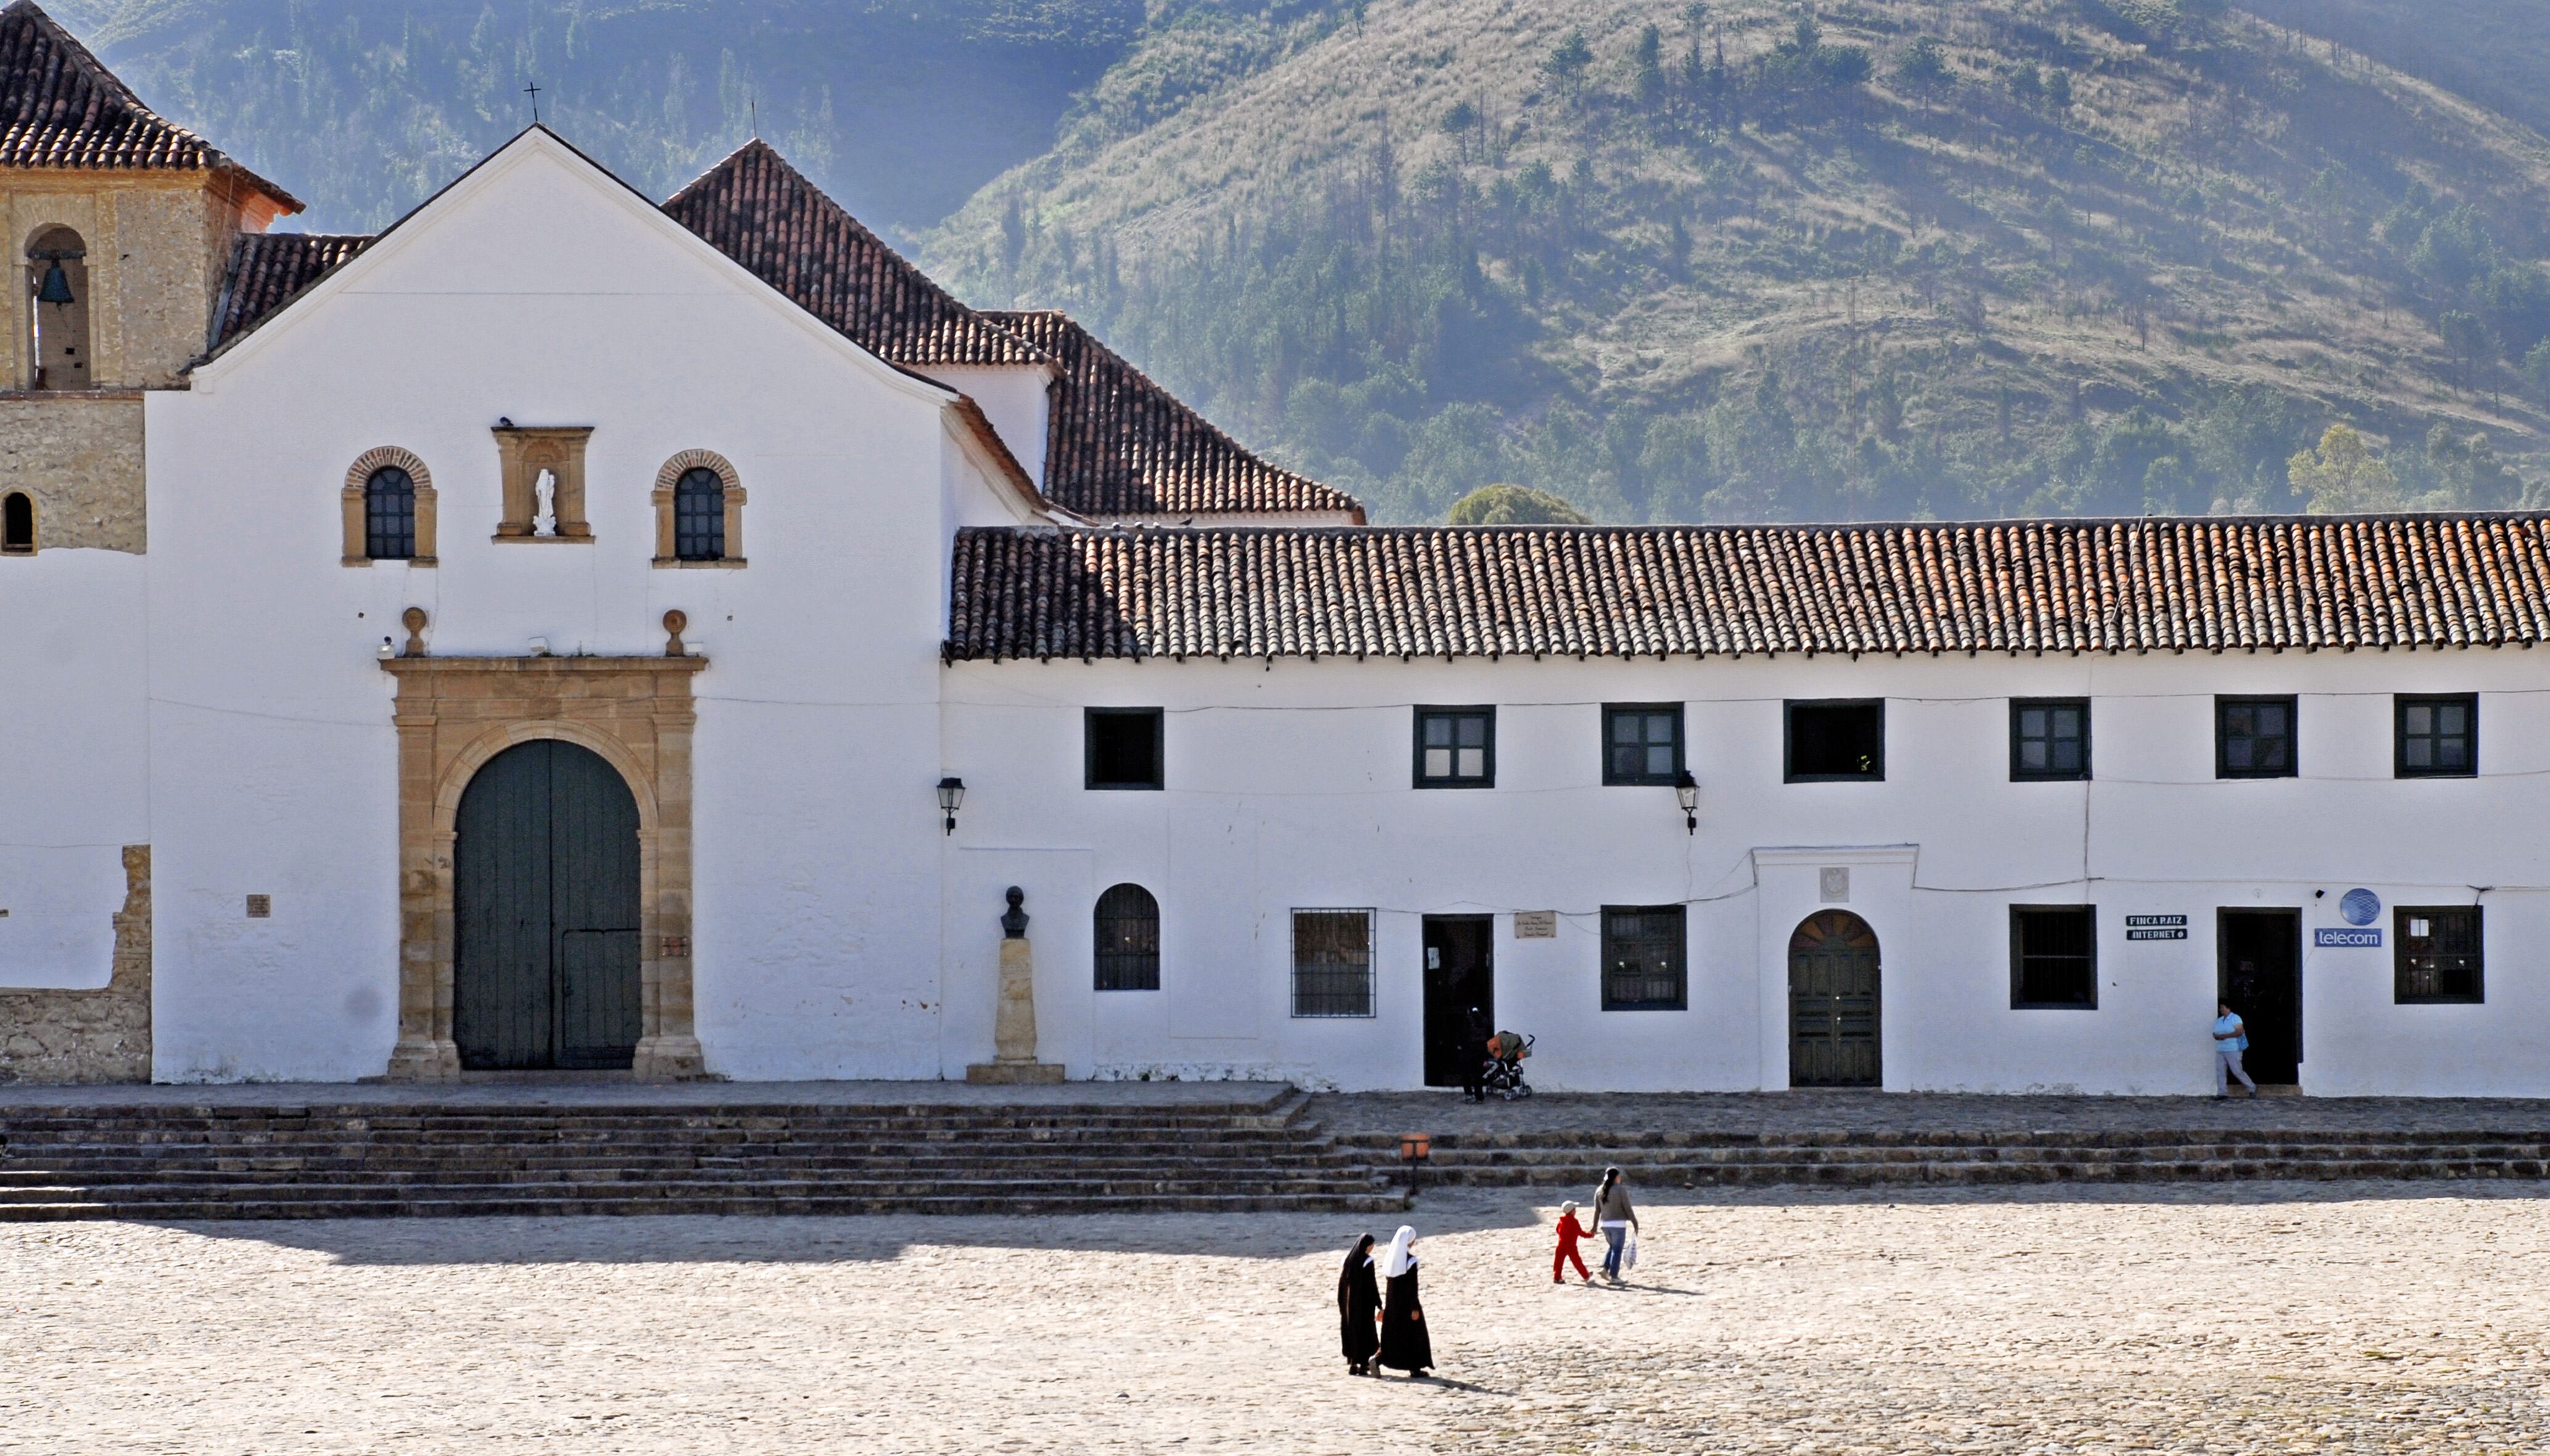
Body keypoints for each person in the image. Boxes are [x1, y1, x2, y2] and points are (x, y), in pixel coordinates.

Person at [1376, 1225, 1432, 1376]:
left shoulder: (1392, 1260)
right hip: (1407, 1304)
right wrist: (1414, 1307)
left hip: (1393, 1304)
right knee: (1413, 1335)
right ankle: (1415, 1367)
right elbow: (1412, 1286)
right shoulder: (1411, 1262)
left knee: (1393, 1334)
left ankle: (1378, 1359)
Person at [1337, 1232, 1381, 1375]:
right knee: (1366, 1333)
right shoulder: (1367, 1262)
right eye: (1371, 1246)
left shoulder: (1348, 1261)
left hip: (1350, 1306)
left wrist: (1342, 1304)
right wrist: (1379, 1304)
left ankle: (1353, 1364)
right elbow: (1371, 1285)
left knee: (1352, 1332)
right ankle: (1363, 1365)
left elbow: (1342, 1286)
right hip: (1364, 1304)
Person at [1593, 1166, 1638, 1283]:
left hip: (1604, 1224)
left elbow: (1597, 1211)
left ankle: (1605, 1268)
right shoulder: (1620, 1190)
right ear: (1617, 1177)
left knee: (1613, 1247)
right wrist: (1635, 1223)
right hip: (1618, 1224)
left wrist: (1594, 1226)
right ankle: (1614, 1276)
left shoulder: (1599, 1190)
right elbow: (1627, 1208)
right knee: (1617, 1250)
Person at [2213, 1002, 2257, 1099]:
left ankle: (2252, 1088)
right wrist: (2217, 1036)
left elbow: (2240, 1031)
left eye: (2223, 1008)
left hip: (2233, 1049)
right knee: (2220, 1071)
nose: (2221, 1010)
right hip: (2221, 1049)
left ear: (2228, 1009)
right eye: (2220, 1008)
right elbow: (2215, 1032)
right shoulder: (2219, 1020)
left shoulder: (2235, 1018)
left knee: (2237, 1070)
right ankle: (2222, 1093)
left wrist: (2225, 1036)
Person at [1551, 1199, 1592, 1284]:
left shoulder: (1561, 1221)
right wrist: (1590, 1235)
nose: (1575, 1211)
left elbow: (1558, 1230)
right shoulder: (1574, 1222)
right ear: (1571, 1211)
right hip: (1571, 1246)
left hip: (1561, 1244)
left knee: (1558, 1262)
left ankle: (1557, 1277)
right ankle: (1586, 1276)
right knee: (1577, 1262)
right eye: (1574, 1209)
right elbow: (1581, 1233)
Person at [1462, 1006, 1491, 1102]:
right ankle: (1479, 1096)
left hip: (1469, 1050)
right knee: (1478, 1074)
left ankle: (1469, 1094)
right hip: (1481, 1050)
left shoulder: (1467, 1021)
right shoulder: (1484, 1022)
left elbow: (1464, 1036)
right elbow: (1488, 1037)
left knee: (1467, 1073)